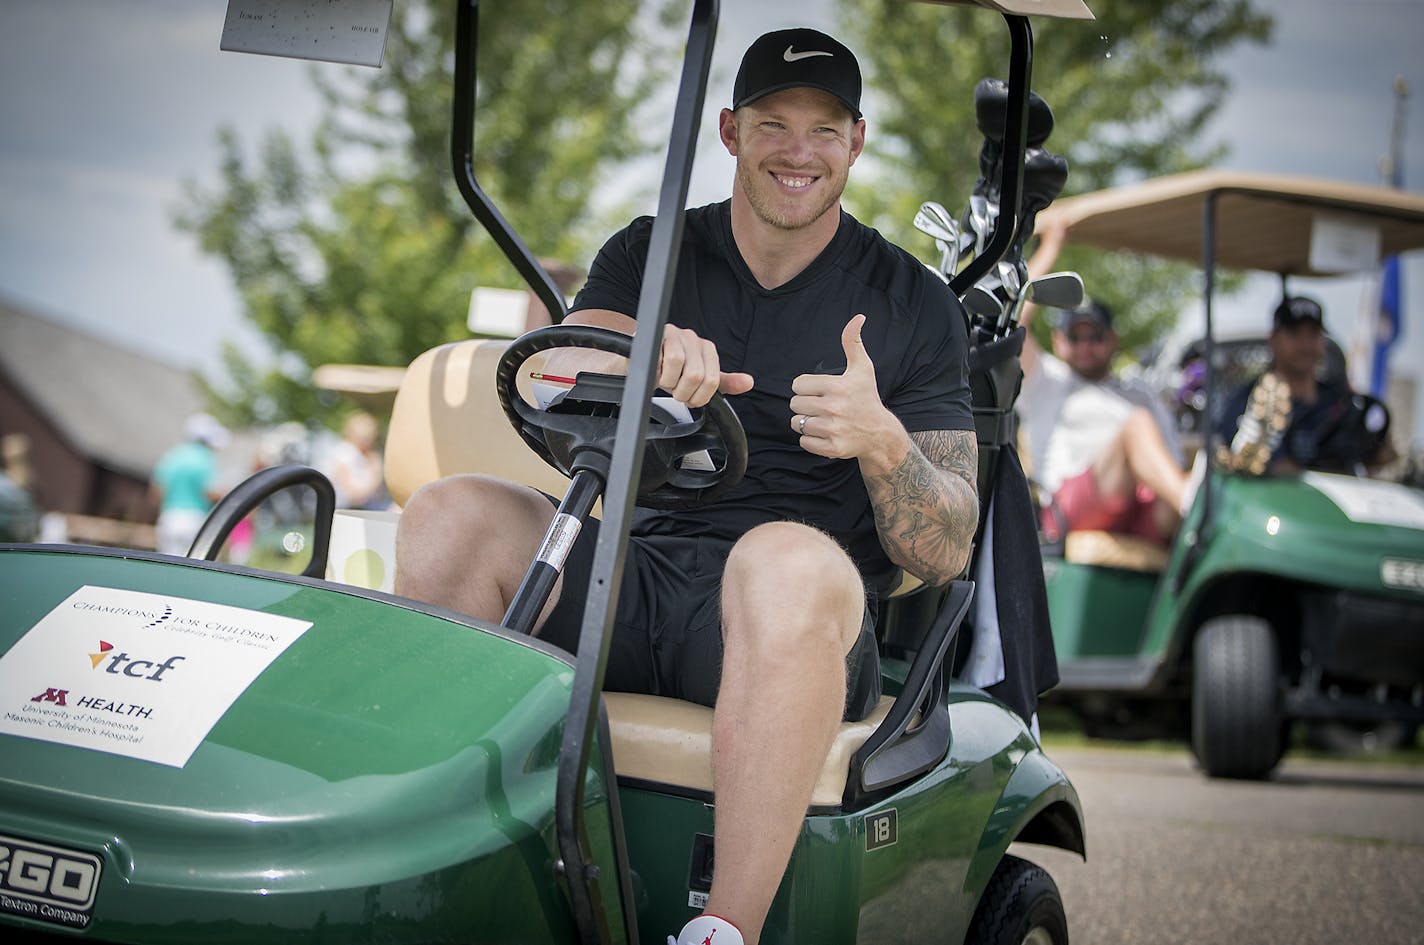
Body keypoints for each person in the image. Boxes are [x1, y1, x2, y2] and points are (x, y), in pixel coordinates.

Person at [395, 28, 978, 945]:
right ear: (729, 131)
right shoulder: (653, 251)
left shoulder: (912, 303)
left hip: (796, 622)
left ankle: (722, 931)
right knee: (450, 514)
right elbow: (560, 361)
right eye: (773, 123)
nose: (798, 150)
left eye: (823, 129)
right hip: (632, 583)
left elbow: (945, 545)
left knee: (778, 559)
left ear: (856, 143)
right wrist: (638, 353)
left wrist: (882, 443)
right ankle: (433, 881)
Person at [1017, 218, 1190, 545]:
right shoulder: (1047, 381)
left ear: (1112, 339)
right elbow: (1014, 322)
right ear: (1058, 341)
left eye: (1094, 336)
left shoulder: (1139, 392)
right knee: (1137, 426)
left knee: (1204, 478)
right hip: (1070, 508)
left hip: (1140, 505)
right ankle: (1198, 511)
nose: (1084, 346)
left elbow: (1173, 463)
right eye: (1074, 336)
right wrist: (1051, 247)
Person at [1217, 295, 1397, 474]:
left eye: (1313, 334)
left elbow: (1379, 456)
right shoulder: (1250, 403)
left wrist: (1375, 451)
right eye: (1295, 334)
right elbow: (1242, 463)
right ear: (1273, 340)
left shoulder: (1340, 401)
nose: (1305, 344)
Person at [151, 413, 229, 556]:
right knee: (191, 565)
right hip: (193, 519)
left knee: (167, 563)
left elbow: (157, 491)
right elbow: (209, 491)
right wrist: (229, 497)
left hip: (169, 518)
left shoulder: (172, 455)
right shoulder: (204, 458)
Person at [323, 410, 389, 510]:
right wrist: (376, 476)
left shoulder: (367, 456)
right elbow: (353, 495)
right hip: (347, 509)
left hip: (364, 507)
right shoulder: (344, 453)